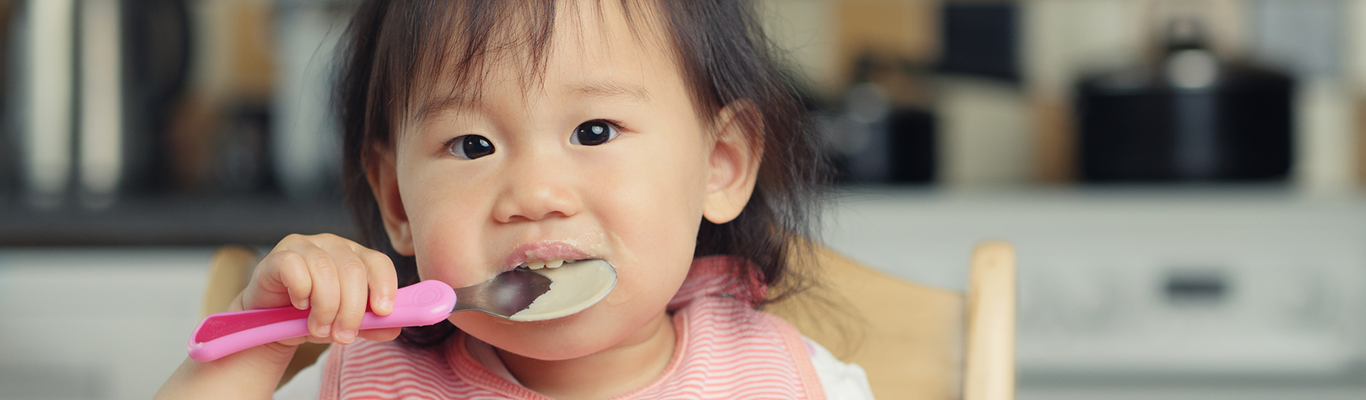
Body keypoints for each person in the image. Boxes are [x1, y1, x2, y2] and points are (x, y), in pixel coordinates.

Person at [157, 0, 873, 398]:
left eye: (594, 131)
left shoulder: (790, 381)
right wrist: (265, 342)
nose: (532, 195)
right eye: (471, 146)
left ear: (720, 165)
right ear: (398, 203)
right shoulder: (379, 383)